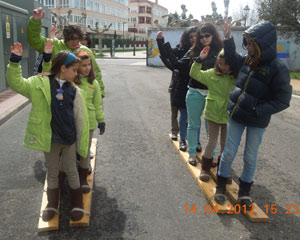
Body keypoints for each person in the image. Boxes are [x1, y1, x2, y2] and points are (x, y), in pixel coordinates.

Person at [7, 43, 90, 222]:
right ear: (63, 68)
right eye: (74, 70)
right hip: (50, 138)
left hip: (69, 138)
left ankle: (78, 204)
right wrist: (15, 62)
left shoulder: (75, 90)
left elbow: (80, 119)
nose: (76, 74)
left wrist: (82, 141)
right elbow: (17, 84)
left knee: (71, 170)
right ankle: (52, 204)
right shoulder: (40, 84)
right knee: (52, 171)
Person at [214, 20, 292, 209]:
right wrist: (228, 38)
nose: (247, 47)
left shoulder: (278, 68)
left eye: (250, 43)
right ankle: (221, 186)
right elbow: (231, 57)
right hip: (237, 115)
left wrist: (258, 110)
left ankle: (244, 193)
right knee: (229, 152)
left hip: (257, 120)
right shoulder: (246, 60)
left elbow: (283, 100)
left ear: (262, 44)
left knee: (250, 156)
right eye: (246, 43)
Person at [27, 7, 105, 98]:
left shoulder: (85, 51)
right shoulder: (54, 45)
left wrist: (100, 94)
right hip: (57, 91)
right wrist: (35, 22)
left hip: (81, 93)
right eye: (72, 39)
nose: (75, 42)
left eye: (77, 39)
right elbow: (34, 40)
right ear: (64, 38)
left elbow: (95, 72)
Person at [190, 47, 236, 182]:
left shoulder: (237, 77)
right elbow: (194, 73)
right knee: (212, 142)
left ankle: (224, 171)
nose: (222, 67)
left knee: (226, 144)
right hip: (212, 113)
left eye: (225, 64)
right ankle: (205, 168)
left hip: (229, 114)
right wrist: (199, 60)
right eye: (220, 63)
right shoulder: (212, 74)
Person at [183, 22, 223, 166]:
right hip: (194, 92)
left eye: (207, 35)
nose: (204, 39)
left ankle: (211, 155)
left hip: (212, 94)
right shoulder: (194, 51)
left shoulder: (220, 51)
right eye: (201, 37)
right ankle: (192, 153)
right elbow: (180, 66)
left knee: (210, 127)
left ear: (213, 35)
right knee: (193, 124)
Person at [156, 27, 197, 151]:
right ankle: (175, 131)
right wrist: (160, 41)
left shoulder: (198, 51)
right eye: (191, 37)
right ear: (186, 38)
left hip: (191, 86)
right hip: (176, 85)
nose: (193, 39)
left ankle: (185, 134)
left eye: (195, 36)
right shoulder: (181, 49)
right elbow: (166, 55)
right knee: (175, 111)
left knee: (187, 114)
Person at [74, 50, 105, 193]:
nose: (87, 68)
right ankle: (74, 173)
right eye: (83, 65)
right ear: (76, 67)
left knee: (85, 152)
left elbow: (98, 104)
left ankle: (83, 179)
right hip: (74, 123)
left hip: (90, 123)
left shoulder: (94, 83)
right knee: (74, 151)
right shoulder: (72, 82)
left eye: (89, 65)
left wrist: (101, 121)